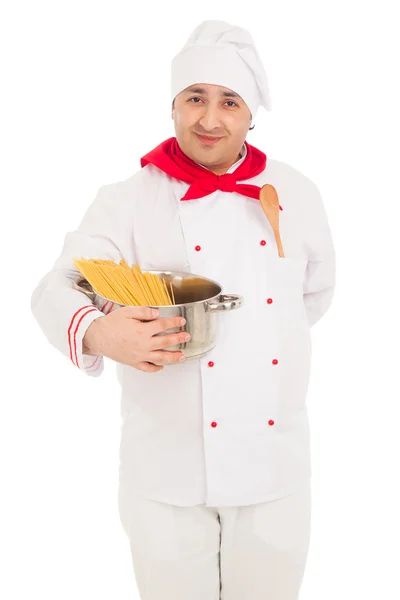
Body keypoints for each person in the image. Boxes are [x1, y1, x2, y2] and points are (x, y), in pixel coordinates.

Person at [31, 19, 336, 600]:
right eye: (195, 98)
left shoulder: (297, 194)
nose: (210, 118)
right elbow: (55, 288)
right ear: (172, 107)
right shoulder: (126, 199)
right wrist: (100, 333)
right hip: (163, 472)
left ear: (251, 114)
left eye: (229, 101)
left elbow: (313, 299)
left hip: (275, 467)